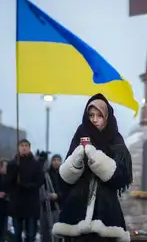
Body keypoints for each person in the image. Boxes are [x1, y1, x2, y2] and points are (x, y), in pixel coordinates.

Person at [52, 93, 133, 242]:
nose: (94, 119)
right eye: (91, 115)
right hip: (77, 212)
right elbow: (63, 179)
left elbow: (122, 176)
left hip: (105, 213)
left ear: (107, 117)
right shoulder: (80, 134)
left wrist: (97, 159)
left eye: (100, 115)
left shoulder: (115, 138)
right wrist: (76, 160)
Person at [4, 139, 45, 242]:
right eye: (22, 145)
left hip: (31, 203)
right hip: (17, 203)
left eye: (26, 145)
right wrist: (14, 172)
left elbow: (40, 181)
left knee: (31, 234)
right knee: (17, 234)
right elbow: (7, 183)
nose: (24, 148)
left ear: (29, 148)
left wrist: (28, 186)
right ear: (18, 148)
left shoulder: (36, 164)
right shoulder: (12, 164)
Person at [39, 154, 63, 242]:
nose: (56, 162)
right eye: (54, 160)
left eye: (58, 160)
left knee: (58, 233)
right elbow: (40, 183)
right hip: (47, 208)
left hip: (60, 208)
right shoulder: (46, 174)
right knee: (47, 233)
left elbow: (67, 191)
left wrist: (57, 196)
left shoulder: (64, 175)